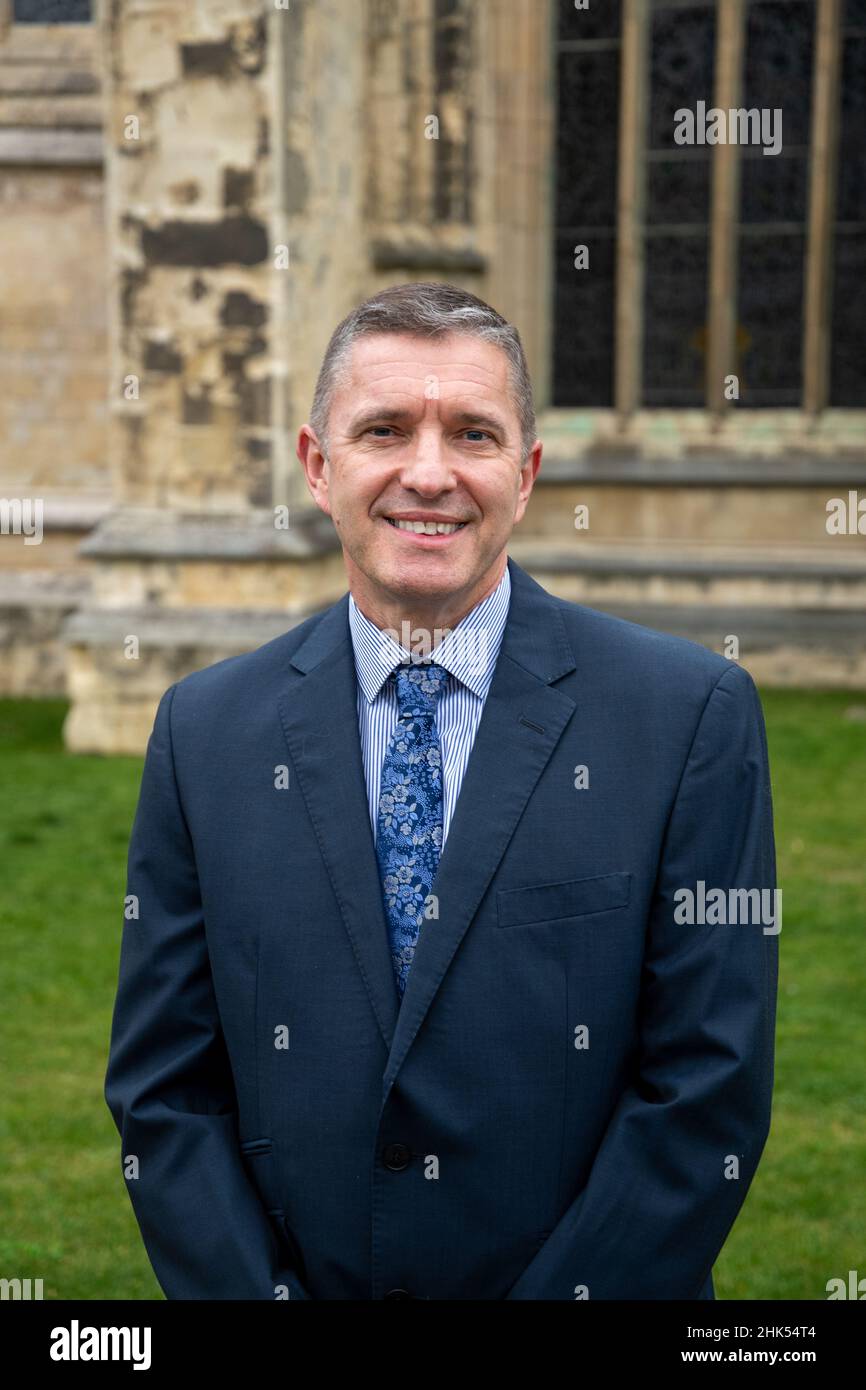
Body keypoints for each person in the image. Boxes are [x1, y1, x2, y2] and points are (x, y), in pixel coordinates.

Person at [105, 282, 778, 1300]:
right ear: (316, 467)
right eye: (382, 430)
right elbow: (164, 1094)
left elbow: (704, 1089)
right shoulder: (203, 733)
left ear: (526, 471)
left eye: (471, 432)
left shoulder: (687, 715)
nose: (429, 473)